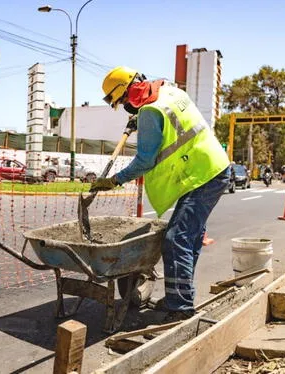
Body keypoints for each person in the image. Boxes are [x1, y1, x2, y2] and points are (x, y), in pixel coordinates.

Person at [90, 66, 231, 322]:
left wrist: (114, 180)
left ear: (128, 92)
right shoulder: (169, 90)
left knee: (176, 239)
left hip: (203, 175)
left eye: (122, 101)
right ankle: (179, 294)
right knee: (189, 237)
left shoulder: (149, 111)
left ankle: (180, 307)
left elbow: (145, 161)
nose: (124, 107)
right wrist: (139, 119)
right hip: (212, 167)